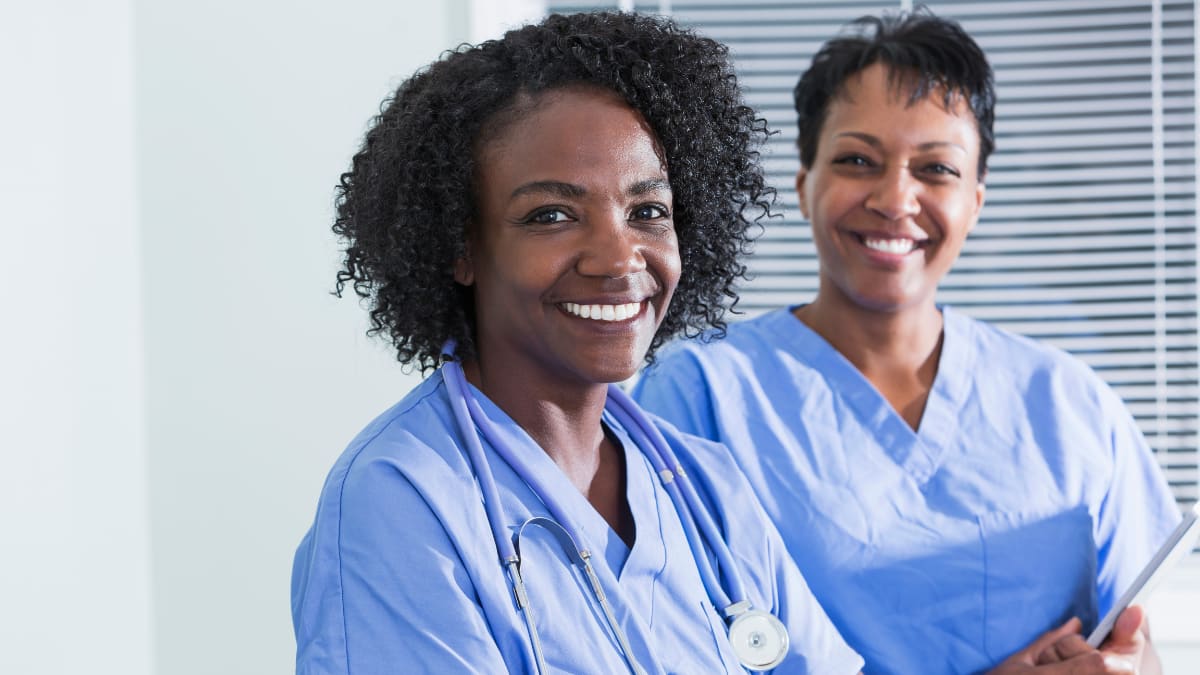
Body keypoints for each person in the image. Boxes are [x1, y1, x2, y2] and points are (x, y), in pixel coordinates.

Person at [291, 11, 865, 675]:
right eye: (552, 215)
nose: (619, 258)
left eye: (647, 211)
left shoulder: (707, 488)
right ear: (461, 247)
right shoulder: (400, 498)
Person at [633, 9, 1182, 675]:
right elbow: (659, 649)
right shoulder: (699, 395)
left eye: (937, 169)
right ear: (806, 186)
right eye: (858, 159)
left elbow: (1139, 646)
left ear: (975, 200)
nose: (896, 198)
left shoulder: (1071, 405)